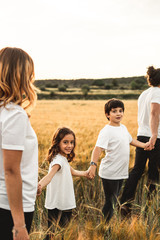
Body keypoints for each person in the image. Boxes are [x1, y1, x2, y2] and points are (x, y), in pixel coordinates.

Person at [88, 99, 149, 222]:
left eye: (121, 111)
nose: (118, 114)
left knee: (114, 200)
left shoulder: (123, 128)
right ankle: (105, 227)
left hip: (120, 172)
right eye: (114, 111)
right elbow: (98, 148)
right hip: (110, 172)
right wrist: (93, 165)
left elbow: (131, 140)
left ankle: (108, 224)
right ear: (107, 114)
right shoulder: (106, 131)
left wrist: (144, 145)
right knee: (110, 201)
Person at [0, 47, 38, 240]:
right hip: (11, 207)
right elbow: (11, 171)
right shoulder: (14, 114)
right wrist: (19, 226)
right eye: (29, 74)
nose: (31, 80)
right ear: (19, 76)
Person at [120, 66, 160, 215]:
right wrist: (154, 135)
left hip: (141, 135)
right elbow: (154, 113)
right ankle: (150, 207)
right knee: (154, 172)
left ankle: (125, 203)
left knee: (137, 170)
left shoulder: (144, 94)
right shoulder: (158, 93)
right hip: (155, 137)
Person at [37, 127, 89, 239]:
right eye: (65, 142)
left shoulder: (62, 158)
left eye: (72, 142)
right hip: (59, 205)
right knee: (55, 234)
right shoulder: (58, 161)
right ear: (57, 143)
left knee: (56, 234)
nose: (69, 145)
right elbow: (49, 176)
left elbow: (72, 171)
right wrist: (39, 185)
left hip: (61, 203)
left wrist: (86, 173)